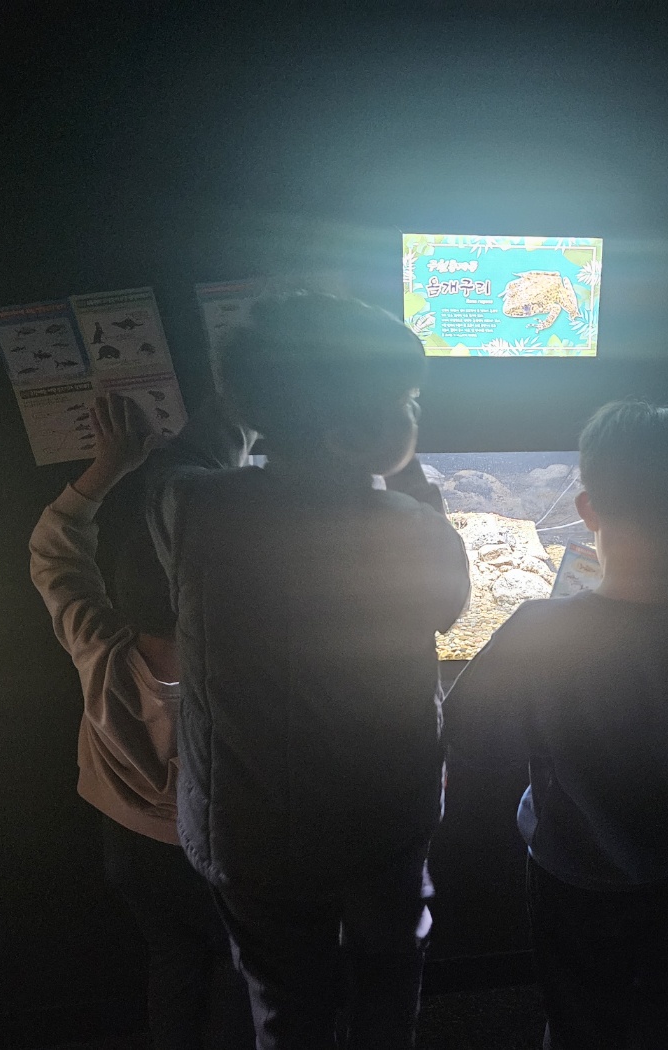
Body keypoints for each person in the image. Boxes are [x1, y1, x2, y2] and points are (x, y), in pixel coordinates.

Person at [162, 293, 470, 1050]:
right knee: (389, 970)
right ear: (349, 435)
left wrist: (249, 389)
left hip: (248, 830)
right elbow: (448, 608)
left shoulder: (194, 507)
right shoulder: (417, 531)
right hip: (382, 822)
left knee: (284, 999)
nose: (416, 415)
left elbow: (197, 461)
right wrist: (408, 482)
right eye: (407, 402)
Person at [444, 400, 668, 1050]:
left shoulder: (538, 629)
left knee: (576, 1008)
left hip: (567, 870)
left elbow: (469, 737)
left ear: (587, 508)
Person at [28, 392, 253, 1050]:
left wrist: (109, 466)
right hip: (223, 855)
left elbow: (55, 555)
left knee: (173, 960)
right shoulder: (250, 682)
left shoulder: (97, 647)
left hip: (130, 849)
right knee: (241, 969)